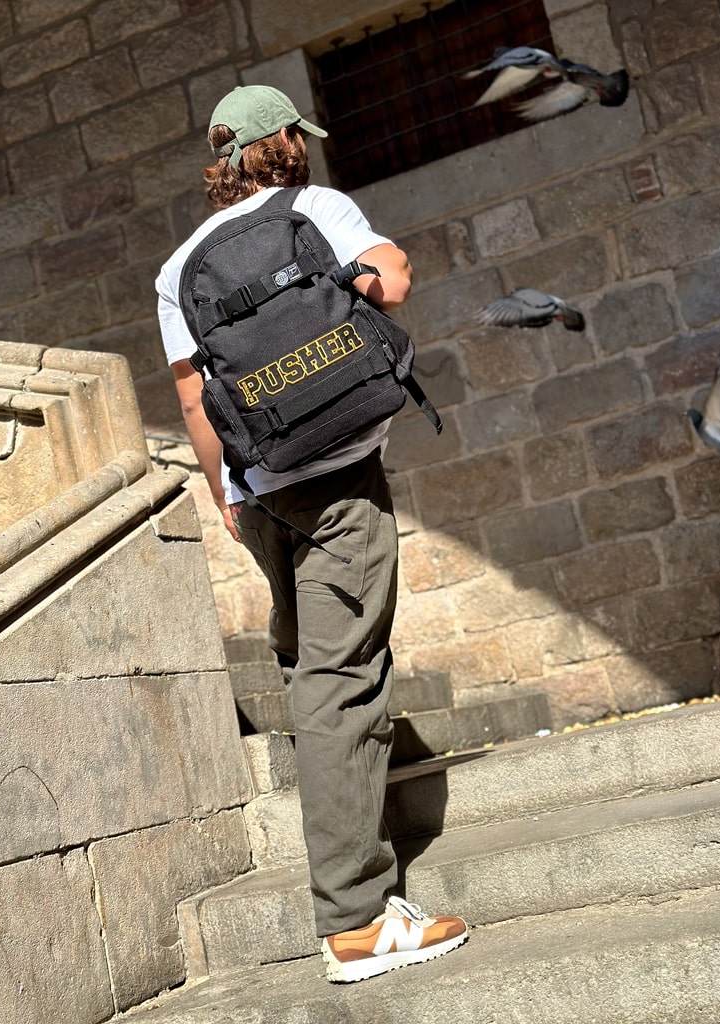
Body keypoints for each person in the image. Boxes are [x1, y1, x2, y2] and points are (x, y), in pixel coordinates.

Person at [155, 84, 467, 984]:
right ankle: (358, 921)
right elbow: (396, 282)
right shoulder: (316, 208)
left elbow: (191, 394)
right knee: (339, 682)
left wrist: (228, 492)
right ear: (284, 141)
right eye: (300, 132)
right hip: (340, 480)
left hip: (263, 487)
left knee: (311, 667)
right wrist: (369, 270)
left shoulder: (179, 268)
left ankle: (355, 896)